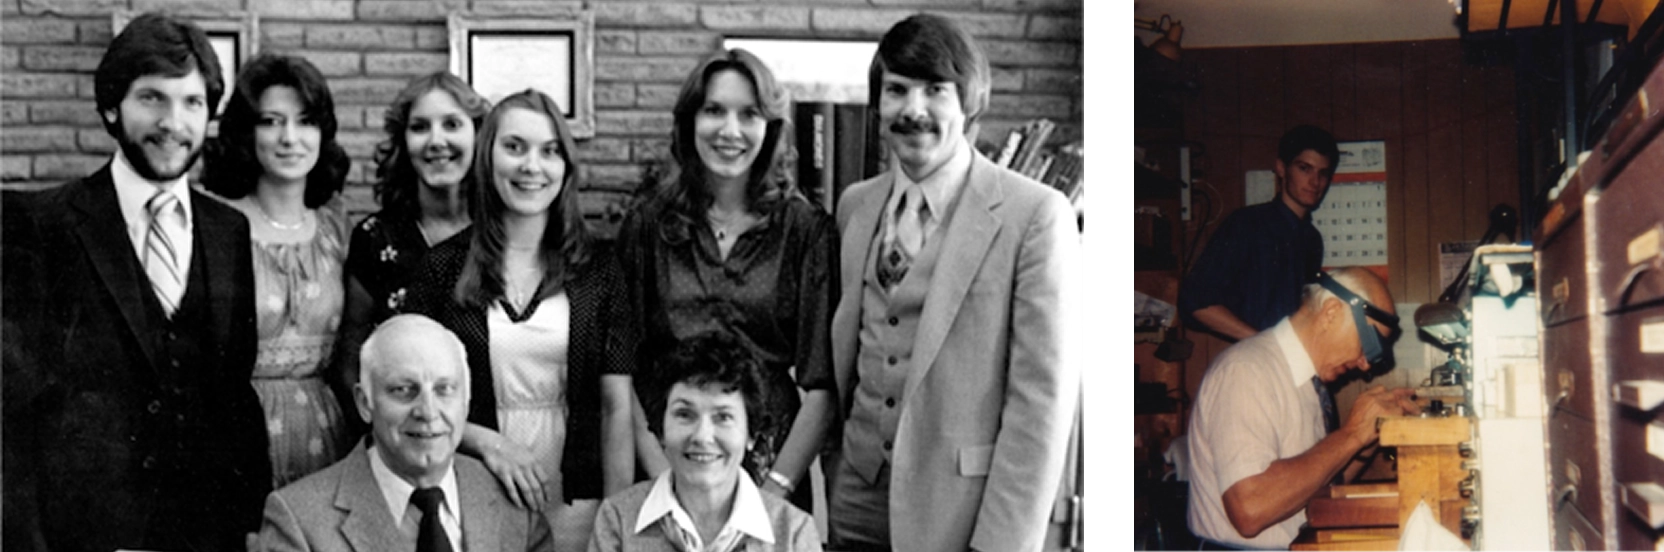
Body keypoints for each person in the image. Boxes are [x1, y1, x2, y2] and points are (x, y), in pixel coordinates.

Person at [0, 12, 271, 551]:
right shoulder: (40, 225)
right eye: (152, 98)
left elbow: (235, 399)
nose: (174, 122)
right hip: (83, 535)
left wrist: (247, 526)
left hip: (204, 533)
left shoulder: (228, 230)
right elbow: (11, 419)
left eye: (192, 102)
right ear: (111, 106)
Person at [825, 13, 1085, 552]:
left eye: (935, 90)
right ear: (878, 104)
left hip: (957, 512)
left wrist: (999, 544)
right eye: (897, 90)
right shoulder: (855, 205)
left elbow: (1041, 403)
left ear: (968, 103)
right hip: (851, 500)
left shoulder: (1034, 214)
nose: (913, 109)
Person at [402, 89, 637, 551]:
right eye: (515, 147)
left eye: (549, 151)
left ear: (566, 166)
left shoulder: (599, 269)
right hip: (478, 493)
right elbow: (411, 396)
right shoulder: (442, 268)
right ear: (487, 157)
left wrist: (618, 524)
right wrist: (489, 444)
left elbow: (616, 409)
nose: (532, 166)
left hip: (577, 502)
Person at [618, 48, 835, 511]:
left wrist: (774, 491)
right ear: (690, 121)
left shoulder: (805, 230)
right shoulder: (647, 225)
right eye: (714, 110)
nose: (730, 131)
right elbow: (623, 371)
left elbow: (823, 386)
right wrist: (663, 484)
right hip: (668, 459)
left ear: (770, 126)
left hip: (771, 471)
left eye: (749, 114)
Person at [253, 314, 553, 551]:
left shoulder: (515, 507)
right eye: (403, 390)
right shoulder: (298, 521)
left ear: (466, 401)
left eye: (444, 389)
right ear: (365, 403)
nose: (428, 411)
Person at [202, 53, 356, 487]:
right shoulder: (216, 224)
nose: (290, 138)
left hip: (326, 433)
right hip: (236, 435)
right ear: (247, 131)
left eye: (305, 121)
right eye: (271, 121)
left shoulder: (335, 227)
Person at [1186, 267, 1417, 550]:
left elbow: (1315, 483)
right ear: (1331, 313)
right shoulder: (1247, 370)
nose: (1365, 364)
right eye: (1370, 344)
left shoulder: (1307, 381)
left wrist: (1366, 442)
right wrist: (1352, 434)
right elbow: (1250, 509)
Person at [339, 71, 490, 439]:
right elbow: (350, 360)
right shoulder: (376, 238)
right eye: (420, 127)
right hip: (403, 442)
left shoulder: (502, 236)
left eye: (452, 124)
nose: (436, 141)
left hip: (500, 447)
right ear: (403, 142)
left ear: (478, 135)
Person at [590, 331, 821, 552]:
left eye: (723, 417)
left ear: (751, 433)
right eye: (684, 415)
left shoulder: (794, 532)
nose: (702, 436)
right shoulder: (618, 519)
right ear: (660, 429)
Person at [1179, 125, 1339, 341]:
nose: (1314, 182)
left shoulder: (1312, 239)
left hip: (1289, 355)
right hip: (1256, 353)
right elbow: (1194, 301)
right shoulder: (1246, 224)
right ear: (1281, 168)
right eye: (1304, 168)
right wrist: (1264, 344)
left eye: (1323, 173)